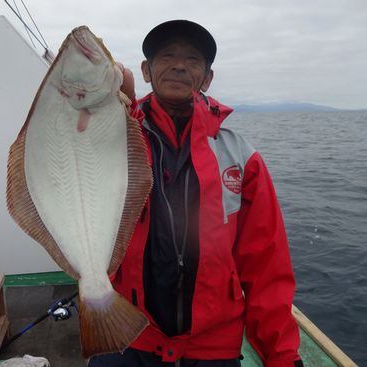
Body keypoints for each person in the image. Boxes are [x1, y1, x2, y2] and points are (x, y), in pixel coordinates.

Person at [89, 20, 303, 367]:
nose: (178, 65)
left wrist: (281, 356)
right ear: (145, 70)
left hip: (213, 347)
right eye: (167, 56)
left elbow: (267, 266)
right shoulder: (111, 139)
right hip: (125, 333)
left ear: (207, 77)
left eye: (192, 59)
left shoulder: (241, 158)